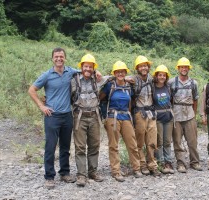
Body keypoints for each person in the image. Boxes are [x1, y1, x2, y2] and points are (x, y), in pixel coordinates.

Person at [28, 47, 77, 189]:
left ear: (65, 58)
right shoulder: (47, 75)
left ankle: (65, 173)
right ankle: (49, 177)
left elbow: (85, 71)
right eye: (56, 57)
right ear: (52, 59)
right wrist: (41, 106)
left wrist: (96, 72)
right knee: (50, 146)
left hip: (67, 115)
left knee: (65, 146)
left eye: (61, 56)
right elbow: (31, 90)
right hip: (52, 116)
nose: (59, 59)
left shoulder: (70, 72)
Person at [100, 61, 143, 182]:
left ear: (125, 72)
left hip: (126, 117)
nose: (120, 73)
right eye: (118, 72)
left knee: (132, 144)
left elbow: (132, 100)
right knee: (113, 145)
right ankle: (116, 171)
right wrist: (104, 116)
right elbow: (100, 98)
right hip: (112, 117)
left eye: (122, 71)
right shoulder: (110, 86)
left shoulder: (129, 86)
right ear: (114, 73)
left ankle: (136, 168)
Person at [71, 53, 110, 186]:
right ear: (81, 67)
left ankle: (92, 171)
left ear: (94, 68)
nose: (88, 69)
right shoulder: (74, 79)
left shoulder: (98, 79)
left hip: (94, 116)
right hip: (79, 116)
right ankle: (81, 175)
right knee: (80, 147)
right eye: (85, 66)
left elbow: (113, 78)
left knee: (94, 145)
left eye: (90, 67)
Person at [169, 57, 202, 173]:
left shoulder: (194, 83)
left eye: (186, 67)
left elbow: (196, 99)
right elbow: (169, 98)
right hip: (176, 115)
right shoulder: (172, 82)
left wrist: (194, 114)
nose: (184, 69)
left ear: (188, 68)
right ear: (178, 68)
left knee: (192, 141)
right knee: (177, 141)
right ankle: (181, 163)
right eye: (182, 67)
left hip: (190, 114)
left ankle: (195, 162)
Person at [131, 55, 161, 176]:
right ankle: (142, 165)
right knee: (140, 141)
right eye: (141, 66)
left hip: (151, 113)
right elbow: (122, 78)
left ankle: (152, 165)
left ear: (148, 67)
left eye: (145, 65)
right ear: (137, 68)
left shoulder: (152, 79)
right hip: (139, 113)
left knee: (152, 141)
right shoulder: (133, 79)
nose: (144, 67)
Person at [152, 65, 175, 174]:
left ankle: (168, 162)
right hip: (158, 118)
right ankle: (161, 162)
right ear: (156, 76)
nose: (162, 77)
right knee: (159, 142)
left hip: (168, 117)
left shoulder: (168, 86)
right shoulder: (152, 87)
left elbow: (172, 100)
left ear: (166, 77)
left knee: (167, 141)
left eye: (164, 75)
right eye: (160, 75)